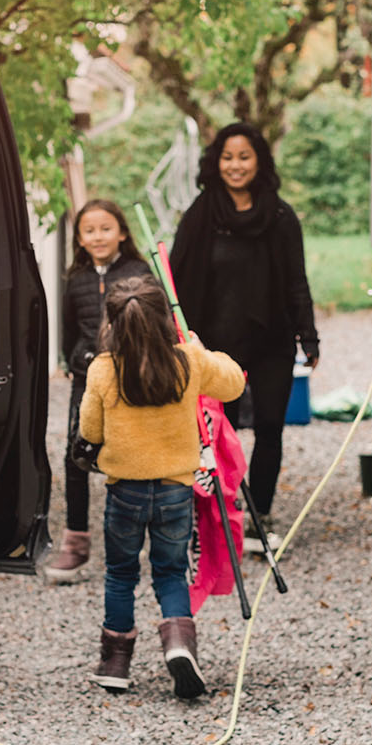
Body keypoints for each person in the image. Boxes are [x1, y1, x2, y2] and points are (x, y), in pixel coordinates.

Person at [78, 275, 245, 698]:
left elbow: (89, 429)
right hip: (175, 491)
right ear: (165, 320)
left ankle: (115, 662)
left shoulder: (102, 369)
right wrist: (200, 348)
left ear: (113, 322)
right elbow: (234, 382)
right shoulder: (189, 361)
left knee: (120, 574)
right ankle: (178, 646)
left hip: (125, 492)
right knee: (170, 572)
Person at [169, 122, 319, 555]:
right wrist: (180, 339)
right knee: (221, 430)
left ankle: (260, 516)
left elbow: (297, 280)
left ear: (259, 162)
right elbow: (177, 279)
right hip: (216, 346)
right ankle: (225, 511)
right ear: (217, 161)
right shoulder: (202, 214)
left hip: (272, 338)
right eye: (228, 157)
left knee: (271, 427)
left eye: (244, 156)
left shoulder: (280, 215)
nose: (235, 165)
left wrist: (308, 336)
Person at [43, 200, 153, 584]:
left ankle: (129, 538)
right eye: (88, 230)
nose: (98, 236)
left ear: (122, 232)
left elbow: (155, 325)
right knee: (77, 454)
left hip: (130, 380)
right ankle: (76, 542)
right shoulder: (75, 278)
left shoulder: (140, 273)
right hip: (86, 380)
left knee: (126, 457)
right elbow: (69, 329)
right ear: (79, 238)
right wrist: (76, 359)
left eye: (105, 228)